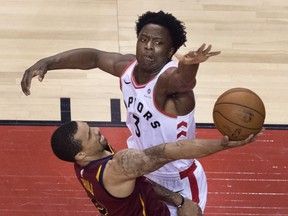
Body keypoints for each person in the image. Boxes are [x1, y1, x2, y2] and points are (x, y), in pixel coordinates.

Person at [21, 11, 221, 214]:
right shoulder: (128, 68)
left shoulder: (168, 80)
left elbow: (183, 82)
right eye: (144, 39)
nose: (148, 46)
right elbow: (94, 57)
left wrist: (190, 66)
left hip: (178, 178)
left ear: (170, 51)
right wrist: (47, 62)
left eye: (157, 42)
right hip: (141, 167)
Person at [51, 121, 262, 216]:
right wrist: (223, 145)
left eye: (90, 127)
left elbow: (141, 183)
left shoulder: (81, 164)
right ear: (81, 154)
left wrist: (179, 200)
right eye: (89, 134)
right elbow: (172, 150)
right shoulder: (118, 167)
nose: (97, 130)